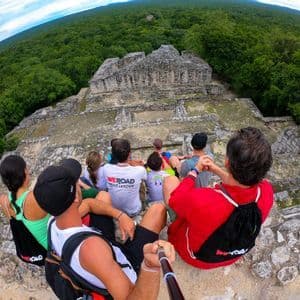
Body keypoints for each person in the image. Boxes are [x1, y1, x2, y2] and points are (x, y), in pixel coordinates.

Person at [33, 163, 175, 299]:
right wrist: (149, 266)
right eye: (75, 182)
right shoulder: (92, 249)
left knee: (102, 196)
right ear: (76, 196)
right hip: (125, 266)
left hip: (98, 250)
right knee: (158, 210)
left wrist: (120, 215)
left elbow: (88, 204)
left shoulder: (53, 221)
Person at [164, 127, 274, 269]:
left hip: (199, 258)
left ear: (227, 161)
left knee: (169, 182)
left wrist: (194, 172)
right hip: (233, 254)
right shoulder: (266, 191)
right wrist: (216, 169)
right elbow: (241, 187)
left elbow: (175, 200)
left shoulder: (204, 200)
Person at [0, 155, 49, 249]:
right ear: (25, 171)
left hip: (32, 247)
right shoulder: (32, 198)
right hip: (51, 247)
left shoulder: (4, 200)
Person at [102, 139, 147, 216]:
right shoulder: (140, 170)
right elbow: (145, 178)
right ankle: (144, 205)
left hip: (115, 209)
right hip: (134, 210)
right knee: (141, 183)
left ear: (112, 154)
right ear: (129, 154)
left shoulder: (106, 168)